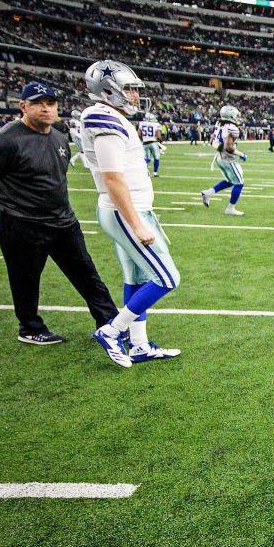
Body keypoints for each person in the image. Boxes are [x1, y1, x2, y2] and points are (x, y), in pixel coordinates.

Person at [0, 80, 119, 346]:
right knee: (24, 278)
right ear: (23, 106)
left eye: (50, 103)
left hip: (63, 221)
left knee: (87, 273)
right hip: (22, 224)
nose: (46, 109)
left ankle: (109, 322)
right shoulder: (6, 140)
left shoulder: (60, 136)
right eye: (38, 103)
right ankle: (29, 328)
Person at [79, 60, 182, 367]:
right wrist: (136, 224)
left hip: (130, 210)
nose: (135, 96)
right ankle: (112, 331)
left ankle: (138, 345)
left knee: (136, 277)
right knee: (167, 278)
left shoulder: (111, 117)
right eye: (130, 89)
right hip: (125, 212)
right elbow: (112, 178)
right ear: (109, 90)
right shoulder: (102, 117)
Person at [199, 105, 248, 216]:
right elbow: (228, 148)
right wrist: (241, 154)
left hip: (219, 157)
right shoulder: (232, 128)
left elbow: (212, 141)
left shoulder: (219, 124)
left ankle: (208, 193)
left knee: (231, 181)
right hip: (227, 159)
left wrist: (220, 148)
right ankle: (230, 208)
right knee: (239, 183)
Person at [139, 111, 165, 177]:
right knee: (156, 157)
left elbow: (139, 134)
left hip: (145, 143)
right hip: (153, 142)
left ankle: (142, 170)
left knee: (147, 158)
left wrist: (143, 139)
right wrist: (161, 141)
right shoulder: (156, 124)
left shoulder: (141, 124)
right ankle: (155, 173)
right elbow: (158, 135)